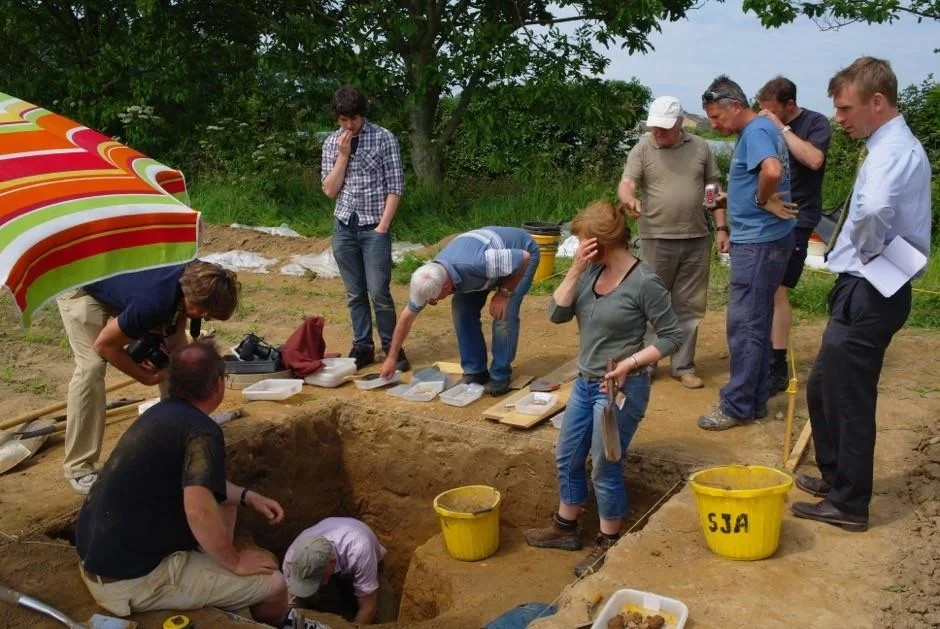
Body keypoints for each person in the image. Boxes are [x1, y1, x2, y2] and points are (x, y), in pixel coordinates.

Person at [791, 57, 931, 532]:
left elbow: (873, 210)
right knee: (823, 384)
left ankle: (850, 503)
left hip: (872, 286)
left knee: (849, 397)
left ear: (877, 101)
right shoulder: (887, 145)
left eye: (846, 108)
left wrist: (867, 252)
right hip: (870, 284)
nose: (839, 118)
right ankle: (836, 477)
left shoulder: (893, 150)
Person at [75, 340, 289, 625]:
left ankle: (218, 584)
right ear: (218, 385)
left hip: (101, 558)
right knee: (275, 585)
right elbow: (197, 510)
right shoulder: (202, 432)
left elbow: (202, 484)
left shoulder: (161, 414)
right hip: (130, 582)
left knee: (227, 504)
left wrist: (248, 496)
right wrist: (235, 562)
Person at [524, 201, 681, 577]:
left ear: (600, 243)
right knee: (567, 455)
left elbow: (673, 337)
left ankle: (610, 544)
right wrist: (576, 269)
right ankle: (565, 527)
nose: (577, 247)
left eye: (581, 242)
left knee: (605, 468)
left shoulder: (644, 282)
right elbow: (556, 313)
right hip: (585, 385)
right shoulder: (589, 273)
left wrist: (631, 363)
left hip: (621, 389)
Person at [57, 259, 239, 494]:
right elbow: (105, 345)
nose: (206, 319)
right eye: (206, 314)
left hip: (121, 281)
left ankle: (181, 433)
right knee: (90, 367)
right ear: (193, 299)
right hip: (82, 285)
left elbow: (175, 346)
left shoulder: (196, 279)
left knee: (175, 359)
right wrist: (144, 376)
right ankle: (79, 467)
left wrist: (170, 362)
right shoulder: (156, 302)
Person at [697, 75, 797, 431]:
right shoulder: (760, 130)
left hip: (757, 245)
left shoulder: (755, 133)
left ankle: (737, 405)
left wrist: (758, 199)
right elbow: (763, 172)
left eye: (716, 118)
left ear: (735, 106)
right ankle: (753, 402)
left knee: (745, 326)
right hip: (767, 241)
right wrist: (735, 197)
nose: (713, 125)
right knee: (756, 322)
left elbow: (771, 171)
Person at [618, 95, 726, 390]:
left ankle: (683, 365)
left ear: (680, 123)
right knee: (652, 302)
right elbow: (628, 182)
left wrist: (719, 224)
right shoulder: (643, 147)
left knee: (689, 306)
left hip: (696, 238)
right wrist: (628, 199)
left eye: (665, 127)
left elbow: (711, 186)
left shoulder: (700, 147)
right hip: (656, 237)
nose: (659, 132)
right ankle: (648, 362)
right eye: (655, 127)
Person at [379, 227, 539, 396]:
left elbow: (524, 258)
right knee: (462, 309)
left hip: (521, 254)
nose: (432, 302)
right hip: (485, 271)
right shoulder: (425, 279)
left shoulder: (477, 263)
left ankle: (500, 375)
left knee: (504, 313)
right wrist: (391, 358)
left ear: (447, 286)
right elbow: (406, 320)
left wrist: (504, 293)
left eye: (435, 298)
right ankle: (475, 371)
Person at [321, 85, 409, 373]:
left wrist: (383, 226)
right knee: (354, 293)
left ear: (363, 115)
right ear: (337, 118)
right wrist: (343, 155)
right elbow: (330, 190)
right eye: (344, 120)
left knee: (379, 291)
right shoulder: (331, 144)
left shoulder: (384, 138)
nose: (350, 125)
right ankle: (363, 346)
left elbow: (395, 186)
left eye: (354, 119)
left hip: (374, 227)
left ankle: (392, 347)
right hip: (345, 225)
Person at [757, 76, 832, 394]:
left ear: (789, 105)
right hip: (766, 217)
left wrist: (782, 129)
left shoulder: (815, 123)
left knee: (778, 290)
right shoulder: (765, 125)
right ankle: (761, 354)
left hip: (798, 219)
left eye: (772, 111)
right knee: (761, 288)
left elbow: (814, 160)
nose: (767, 116)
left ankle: (777, 364)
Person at [282, 517, 389, 625]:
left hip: (360, 562)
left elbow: (368, 607)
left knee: (385, 612)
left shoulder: (360, 550)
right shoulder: (291, 558)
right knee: (324, 602)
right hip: (336, 566)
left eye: (318, 579)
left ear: (333, 563)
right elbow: (293, 605)